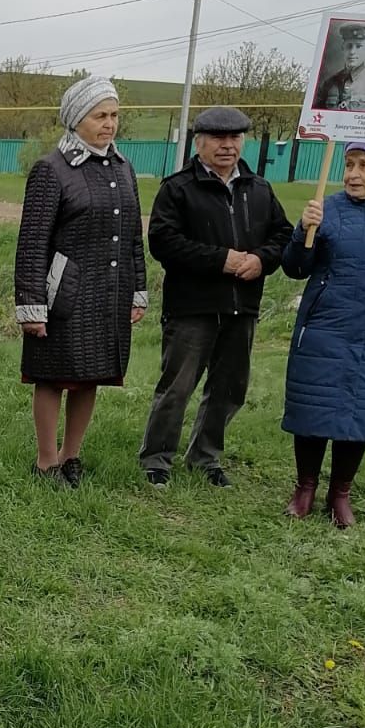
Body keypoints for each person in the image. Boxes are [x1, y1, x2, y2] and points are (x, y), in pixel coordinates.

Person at [139, 105, 292, 487]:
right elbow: (163, 241)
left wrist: (261, 259)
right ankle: (157, 458)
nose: (227, 146)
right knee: (177, 386)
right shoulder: (178, 188)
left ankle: (205, 457)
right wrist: (220, 260)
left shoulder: (258, 189)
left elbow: (283, 235)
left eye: (235, 138)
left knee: (229, 387)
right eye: (218, 139)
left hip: (243, 306)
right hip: (192, 307)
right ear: (200, 142)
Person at [14, 75, 147, 487]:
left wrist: (137, 290)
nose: (109, 123)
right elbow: (32, 242)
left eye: (114, 115)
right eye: (99, 115)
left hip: (108, 293)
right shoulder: (51, 170)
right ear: (76, 119)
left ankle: (73, 456)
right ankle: (46, 460)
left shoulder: (123, 169)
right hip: (64, 294)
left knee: (90, 375)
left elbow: (132, 239)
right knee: (54, 376)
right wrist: (31, 304)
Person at [279, 128, 365, 528]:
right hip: (324, 329)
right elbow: (295, 268)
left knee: (360, 412)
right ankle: (305, 487)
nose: (353, 174)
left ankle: (340, 493)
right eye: (349, 164)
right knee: (313, 407)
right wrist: (303, 230)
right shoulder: (327, 209)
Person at [317, 23, 365, 112]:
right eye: (349, 46)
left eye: (358, 46)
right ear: (343, 47)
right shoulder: (328, 84)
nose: (352, 52)